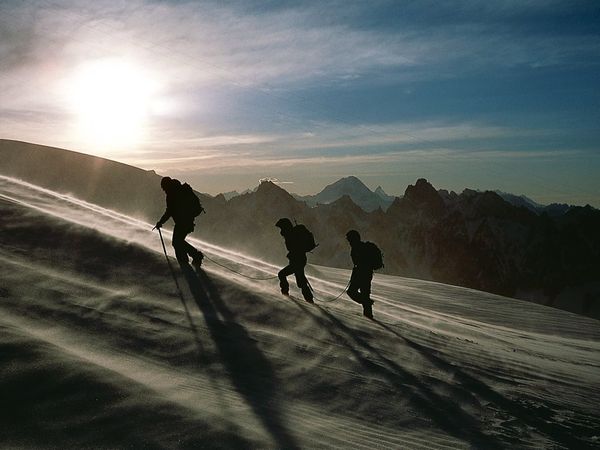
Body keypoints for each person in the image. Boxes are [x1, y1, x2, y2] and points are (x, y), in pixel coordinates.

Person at [155, 177, 204, 269]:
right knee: (178, 242)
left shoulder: (172, 194)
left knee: (177, 242)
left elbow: (169, 211)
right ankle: (188, 259)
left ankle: (189, 260)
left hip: (183, 222)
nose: (163, 189)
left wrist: (160, 222)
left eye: (164, 187)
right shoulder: (179, 190)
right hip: (187, 221)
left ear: (166, 185)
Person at [275, 218, 314, 303]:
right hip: (299, 260)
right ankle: (309, 299)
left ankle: (286, 294)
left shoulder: (290, 235)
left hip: (297, 260)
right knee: (300, 280)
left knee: (284, 275)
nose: (281, 230)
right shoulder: (291, 234)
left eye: (281, 228)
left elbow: (292, 248)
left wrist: (292, 255)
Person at [345, 230, 375, 319]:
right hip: (366, 274)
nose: (349, 241)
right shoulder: (360, 247)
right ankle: (368, 314)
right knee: (364, 294)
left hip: (361, 274)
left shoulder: (357, 248)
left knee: (352, 292)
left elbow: (358, 263)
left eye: (349, 239)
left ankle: (367, 308)